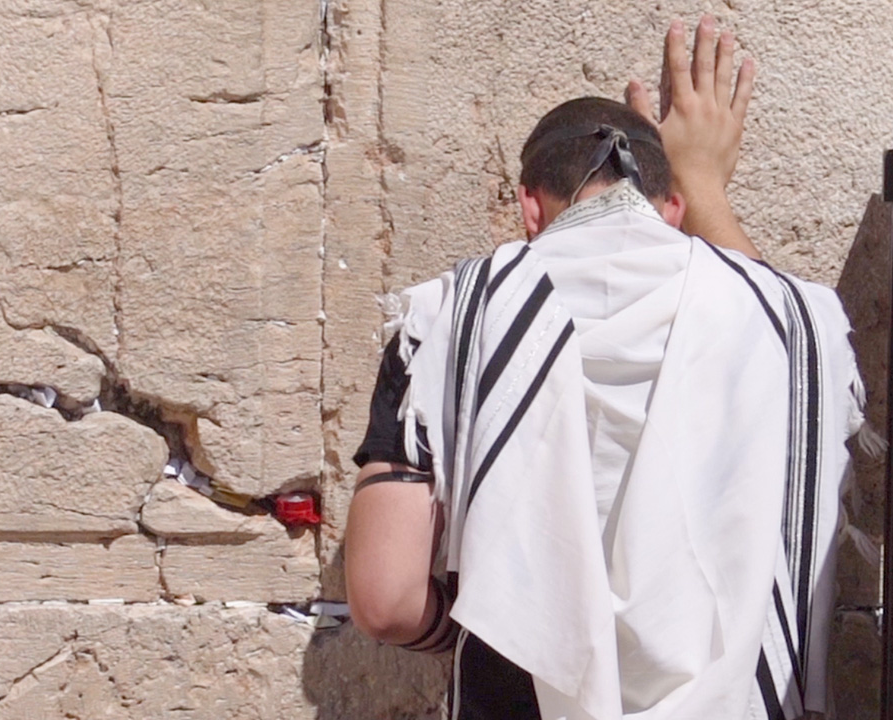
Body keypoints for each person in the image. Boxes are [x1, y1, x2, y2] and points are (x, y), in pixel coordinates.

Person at [345, 16, 865, 720]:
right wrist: (708, 186)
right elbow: (781, 331)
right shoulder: (787, 323)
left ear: (529, 207)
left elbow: (386, 600)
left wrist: (485, 622)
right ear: (670, 207)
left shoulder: (448, 321)